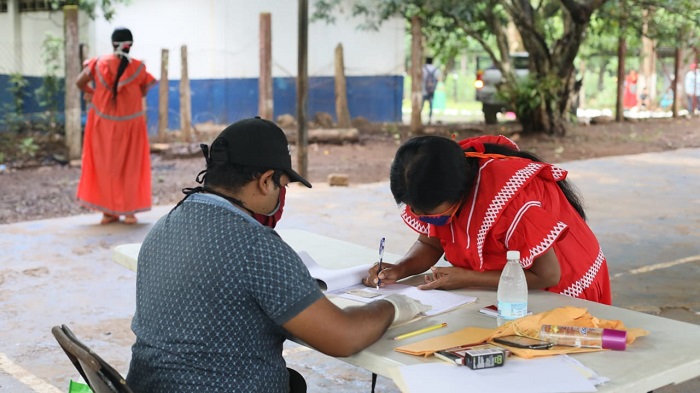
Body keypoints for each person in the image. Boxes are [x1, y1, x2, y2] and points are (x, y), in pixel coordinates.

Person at [125, 117, 429, 392]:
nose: (281, 196)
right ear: (265, 180)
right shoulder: (256, 245)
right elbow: (343, 338)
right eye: (282, 185)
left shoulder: (165, 225)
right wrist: (394, 306)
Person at [363, 135, 612, 305]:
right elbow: (430, 243)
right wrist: (400, 268)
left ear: (461, 193)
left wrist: (466, 277)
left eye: (432, 214)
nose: (426, 220)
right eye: (416, 212)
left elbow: (546, 276)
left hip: (560, 286)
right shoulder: (438, 186)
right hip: (509, 283)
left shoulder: (511, 204)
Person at [75, 27, 156, 225]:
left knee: (105, 168)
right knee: (131, 168)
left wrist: (93, 93)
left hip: (102, 128)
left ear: (113, 44)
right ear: (131, 45)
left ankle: (108, 213)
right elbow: (143, 91)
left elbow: (79, 82)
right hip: (131, 128)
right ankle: (129, 213)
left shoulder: (96, 64)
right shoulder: (138, 68)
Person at [421, 57, 440, 124]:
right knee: (431, 105)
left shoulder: (423, 68)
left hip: (423, 90)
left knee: (421, 105)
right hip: (431, 90)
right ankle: (430, 119)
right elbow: (438, 78)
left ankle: (420, 118)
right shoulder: (435, 69)